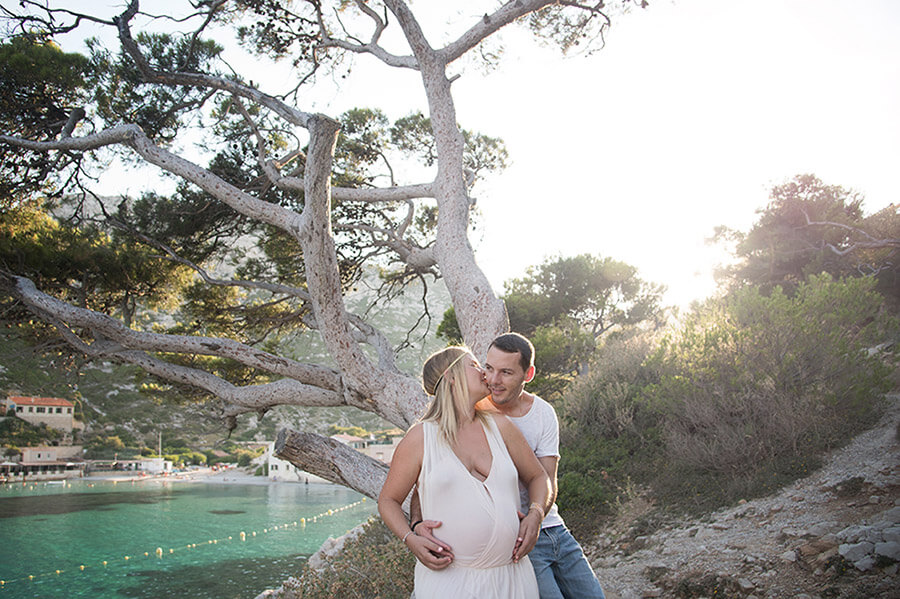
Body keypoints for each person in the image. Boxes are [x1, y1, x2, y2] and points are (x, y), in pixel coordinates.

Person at [413, 333, 606, 599]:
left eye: (505, 372)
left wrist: (536, 516)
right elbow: (430, 477)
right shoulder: (473, 410)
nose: (492, 380)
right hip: (514, 540)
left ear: (528, 375)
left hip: (550, 526)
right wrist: (416, 524)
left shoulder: (542, 413)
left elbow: (545, 478)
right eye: (488, 368)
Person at [378, 346, 552, 599]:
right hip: (448, 582)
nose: (484, 372)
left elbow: (538, 477)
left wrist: (536, 514)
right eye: (473, 365)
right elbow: (388, 500)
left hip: (512, 579)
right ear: (451, 375)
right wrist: (410, 537)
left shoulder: (501, 427)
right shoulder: (420, 438)